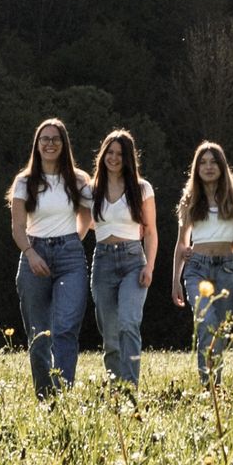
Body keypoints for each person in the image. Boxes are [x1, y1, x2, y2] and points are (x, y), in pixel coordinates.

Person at [8, 118, 93, 399]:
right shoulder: (24, 182)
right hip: (34, 254)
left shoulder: (78, 180)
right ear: (37, 144)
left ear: (64, 144)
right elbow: (17, 227)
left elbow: (87, 214)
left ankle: (63, 394)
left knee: (66, 328)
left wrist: (74, 240)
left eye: (56, 139)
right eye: (44, 139)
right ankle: (45, 396)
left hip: (70, 258)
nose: (50, 143)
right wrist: (31, 254)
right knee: (39, 334)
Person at [171, 142, 233, 386]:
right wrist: (175, 281)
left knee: (221, 330)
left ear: (222, 166)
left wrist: (231, 248)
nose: (208, 167)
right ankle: (208, 385)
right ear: (196, 168)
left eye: (213, 162)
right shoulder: (190, 199)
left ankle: (216, 386)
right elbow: (182, 242)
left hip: (226, 268)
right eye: (203, 162)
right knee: (206, 324)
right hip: (196, 269)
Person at [87, 129, 156, 387]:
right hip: (103, 262)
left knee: (128, 323)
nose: (114, 158)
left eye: (120, 154)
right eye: (110, 152)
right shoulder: (91, 190)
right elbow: (84, 223)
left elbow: (150, 231)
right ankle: (116, 390)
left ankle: (130, 387)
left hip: (133, 261)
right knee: (110, 335)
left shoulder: (141, 188)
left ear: (128, 158)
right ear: (103, 155)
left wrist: (149, 266)